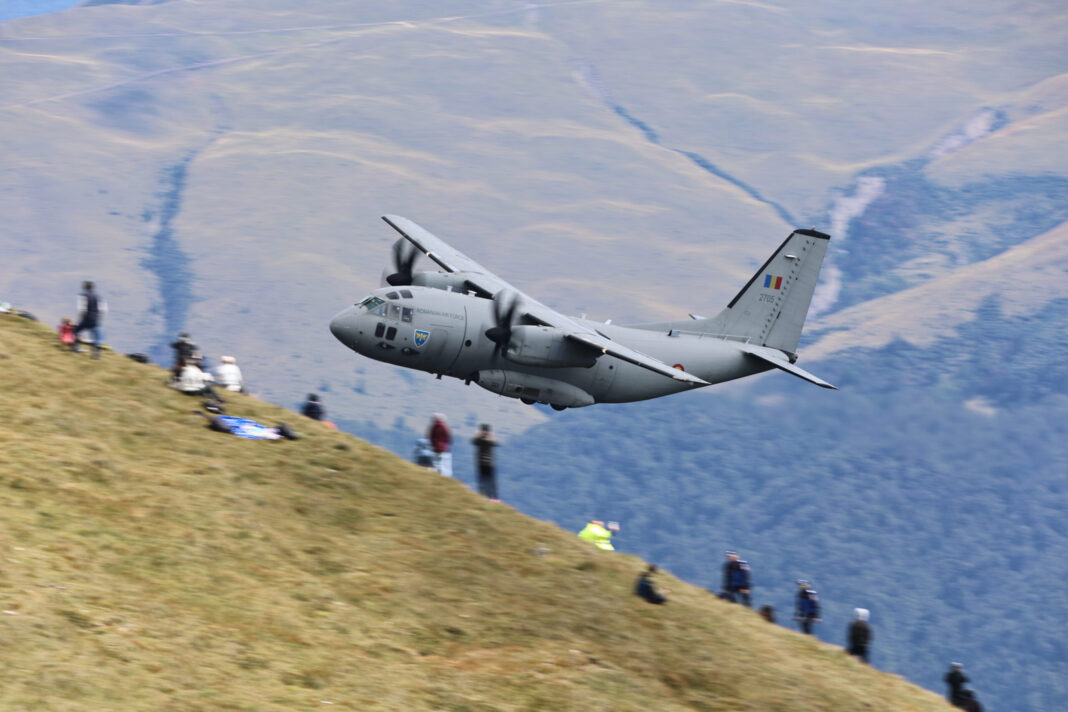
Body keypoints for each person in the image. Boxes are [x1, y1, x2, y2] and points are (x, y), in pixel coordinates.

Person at [73, 281, 105, 358]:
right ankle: (96, 353)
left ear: (84, 287)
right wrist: (99, 320)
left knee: (75, 331)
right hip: (95, 320)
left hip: (86, 319)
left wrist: (80, 319)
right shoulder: (99, 297)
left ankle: (76, 347)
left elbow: (81, 309)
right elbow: (103, 310)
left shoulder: (83, 296)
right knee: (97, 337)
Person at [471, 423, 498, 499]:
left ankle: (489, 496)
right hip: (485, 463)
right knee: (487, 481)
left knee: (487, 481)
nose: (484, 432)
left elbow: (495, 443)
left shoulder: (483, 439)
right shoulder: (485, 439)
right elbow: (473, 442)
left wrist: (478, 435)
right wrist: (490, 436)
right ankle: (489, 496)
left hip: (485, 463)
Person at [428, 413, 452, 477]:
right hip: (443, 448)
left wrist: (432, 444)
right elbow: (448, 437)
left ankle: (435, 474)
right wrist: (446, 444)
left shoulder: (433, 427)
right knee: (441, 462)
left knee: (435, 462)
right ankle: (441, 475)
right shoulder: (445, 427)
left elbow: (430, 437)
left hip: (435, 447)